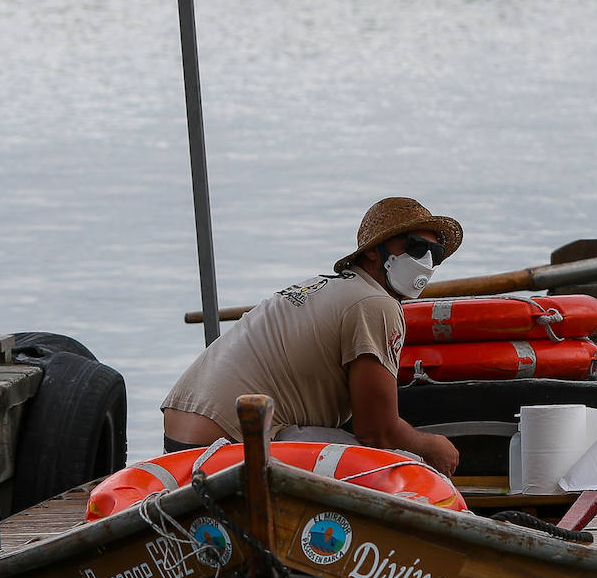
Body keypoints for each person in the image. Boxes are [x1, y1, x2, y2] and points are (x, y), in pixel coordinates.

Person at [160, 196, 462, 474]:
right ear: (373, 249)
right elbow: (378, 433)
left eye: (434, 254)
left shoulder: (324, 286)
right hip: (229, 447)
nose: (424, 262)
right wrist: (430, 447)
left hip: (177, 442)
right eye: (414, 247)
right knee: (410, 467)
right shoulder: (375, 304)